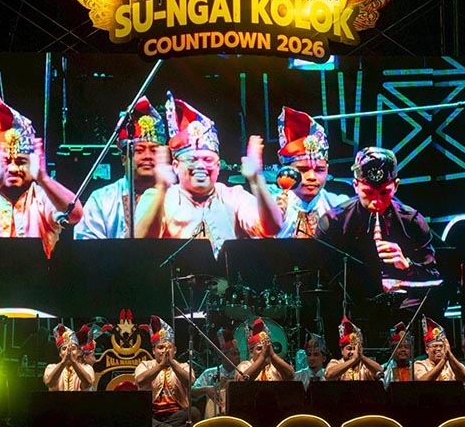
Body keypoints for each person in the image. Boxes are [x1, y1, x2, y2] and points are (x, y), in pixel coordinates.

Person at [134, 92, 282, 253]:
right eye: (192, 159)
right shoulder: (158, 197)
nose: (200, 166)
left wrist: (257, 180)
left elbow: (272, 228)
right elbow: (141, 243)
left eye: (208, 160)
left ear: (218, 166)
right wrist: (161, 189)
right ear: (175, 166)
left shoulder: (233, 196)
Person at [0, 93, 83, 258]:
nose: (13, 168)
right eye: (6, 161)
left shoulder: (42, 198)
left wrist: (43, 178)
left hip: (38, 274)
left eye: (20, 161)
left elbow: (75, 215)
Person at [316, 147, 438, 292]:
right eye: (368, 193)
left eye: (384, 193)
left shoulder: (412, 222)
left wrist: (407, 266)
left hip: (402, 302)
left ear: (396, 186)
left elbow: (433, 276)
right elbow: (320, 279)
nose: (377, 202)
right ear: (355, 186)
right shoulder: (333, 222)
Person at [75, 96, 167, 239]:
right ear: (124, 159)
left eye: (154, 150)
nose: (148, 156)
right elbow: (86, 247)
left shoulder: (178, 197)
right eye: (139, 150)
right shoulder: (101, 199)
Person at [274, 106, 350, 238]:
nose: (311, 177)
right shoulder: (269, 206)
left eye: (319, 170)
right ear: (286, 170)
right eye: (302, 170)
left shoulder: (340, 205)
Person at [134, 315, 199, 427]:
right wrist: (161, 365)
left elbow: (190, 382)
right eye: (160, 347)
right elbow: (140, 381)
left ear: (175, 350)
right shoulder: (145, 365)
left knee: (193, 412)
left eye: (168, 348)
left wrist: (172, 363)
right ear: (153, 351)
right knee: (137, 414)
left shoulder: (183, 366)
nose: (164, 351)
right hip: (152, 414)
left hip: (176, 414)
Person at [192, 328, 241, 418]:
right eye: (234, 354)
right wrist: (206, 389)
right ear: (221, 355)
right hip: (215, 416)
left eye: (238, 354)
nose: (238, 357)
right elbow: (192, 392)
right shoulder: (209, 373)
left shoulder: (243, 372)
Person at [324, 317, 384, 381]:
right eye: (349, 348)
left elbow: (380, 372)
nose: (353, 352)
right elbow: (329, 375)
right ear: (342, 350)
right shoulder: (336, 363)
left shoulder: (365, 366)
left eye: (355, 349)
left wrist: (362, 357)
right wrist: (353, 360)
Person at [412, 316, 465, 382]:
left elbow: (464, 377)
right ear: (427, 349)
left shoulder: (451, 365)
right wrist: (444, 360)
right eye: (435, 346)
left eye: (441, 346)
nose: (438, 349)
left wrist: (449, 354)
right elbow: (423, 382)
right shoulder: (420, 364)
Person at [43, 324, 95, 391]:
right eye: (64, 349)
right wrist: (63, 362)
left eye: (73, 349)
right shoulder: (51, 367)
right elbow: (49, 383)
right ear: (60, 353)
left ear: (78, 352)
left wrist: (73, 361)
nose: (68, 352)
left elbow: (87, 383)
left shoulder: (86, 368)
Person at [382, 321, 415, 387]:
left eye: (406, 347)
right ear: (392, 350)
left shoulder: (416, 368)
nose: (403, 350)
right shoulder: (384, 369)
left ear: (411, 350)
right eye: (399, 347)